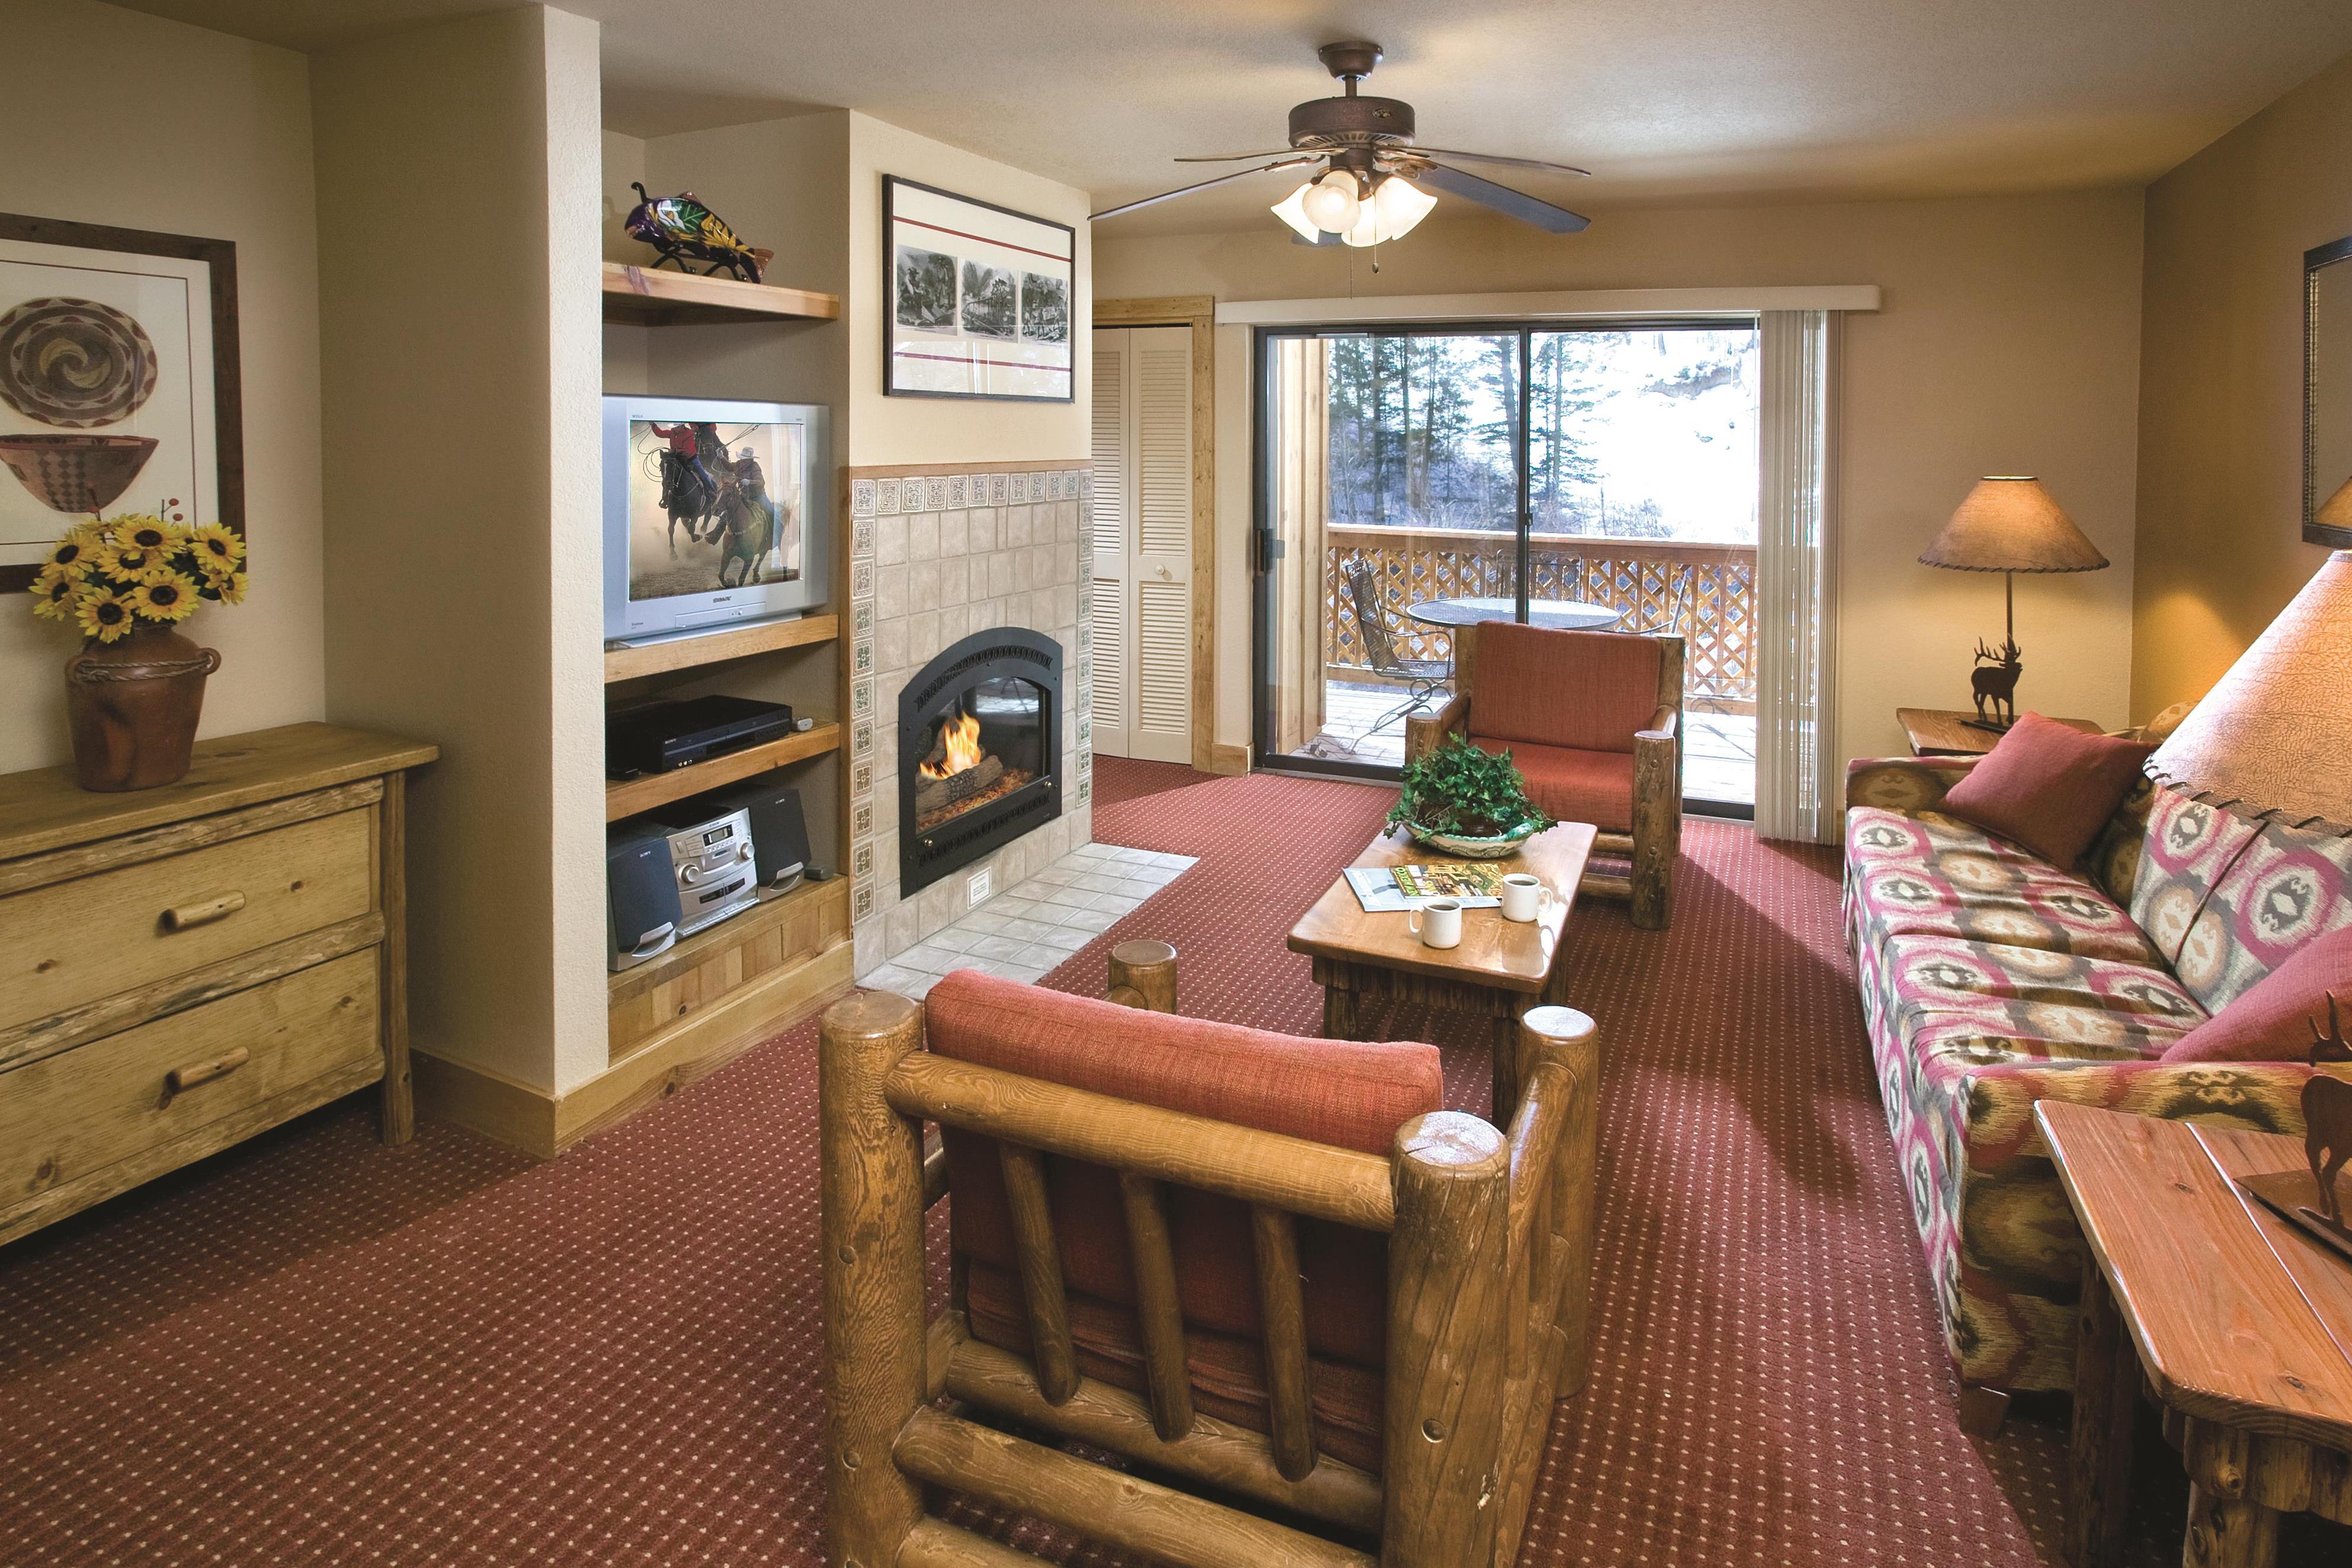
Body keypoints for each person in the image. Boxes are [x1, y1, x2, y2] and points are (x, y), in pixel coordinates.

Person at [647, 421, 712, 504]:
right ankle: (665, 497)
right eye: (675, 427)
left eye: (677, 427)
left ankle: (711, 491)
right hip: (677, 458)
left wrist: (675, 451)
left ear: (682, 426)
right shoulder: (672, 433)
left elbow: (687, 451)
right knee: (668, 475)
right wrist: (653, 425)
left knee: (702, 473)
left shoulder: (688, 433)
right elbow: (660, 433)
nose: (676, 428)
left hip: (691, 458)